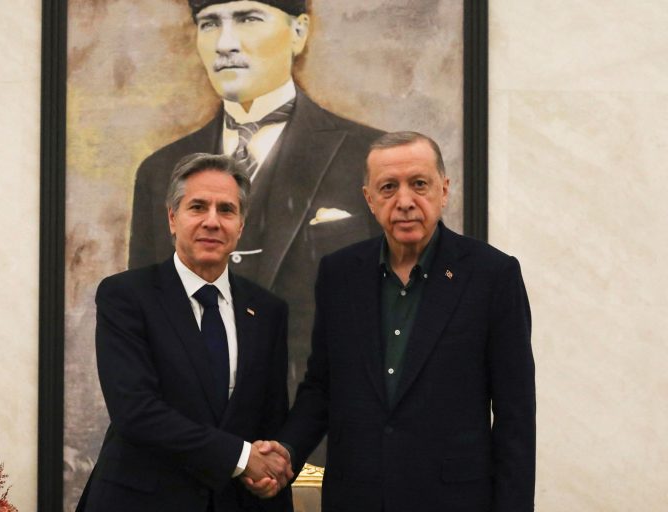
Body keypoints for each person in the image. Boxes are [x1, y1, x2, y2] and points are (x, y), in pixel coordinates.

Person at [248, 132, 536, 511]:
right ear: (369, 199)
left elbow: (516, 415)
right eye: (388, 187)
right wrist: (286, 450)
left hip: (453, 500)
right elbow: (322, 387)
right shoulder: (339, 274)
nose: (404, 201)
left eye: (419, 184)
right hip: (356, 498)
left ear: (444, 190)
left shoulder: (493, 275)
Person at [128, 0, 384, 425]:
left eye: (248, 19)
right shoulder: (160, 170)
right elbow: (145, 321)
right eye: (210, 23)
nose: (225, 43)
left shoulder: (368, 157)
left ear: (299, 32)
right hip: (197, 439)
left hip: (328, 433)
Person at [77, 153, 294, 511]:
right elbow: (136, 411)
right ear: (172, 218)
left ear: (241, 226)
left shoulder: (268, 311)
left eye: (226, 210)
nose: (212, 221)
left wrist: (270, 472)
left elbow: (270, 417)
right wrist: (242, 457)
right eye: (198, 207)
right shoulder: (126, 296)